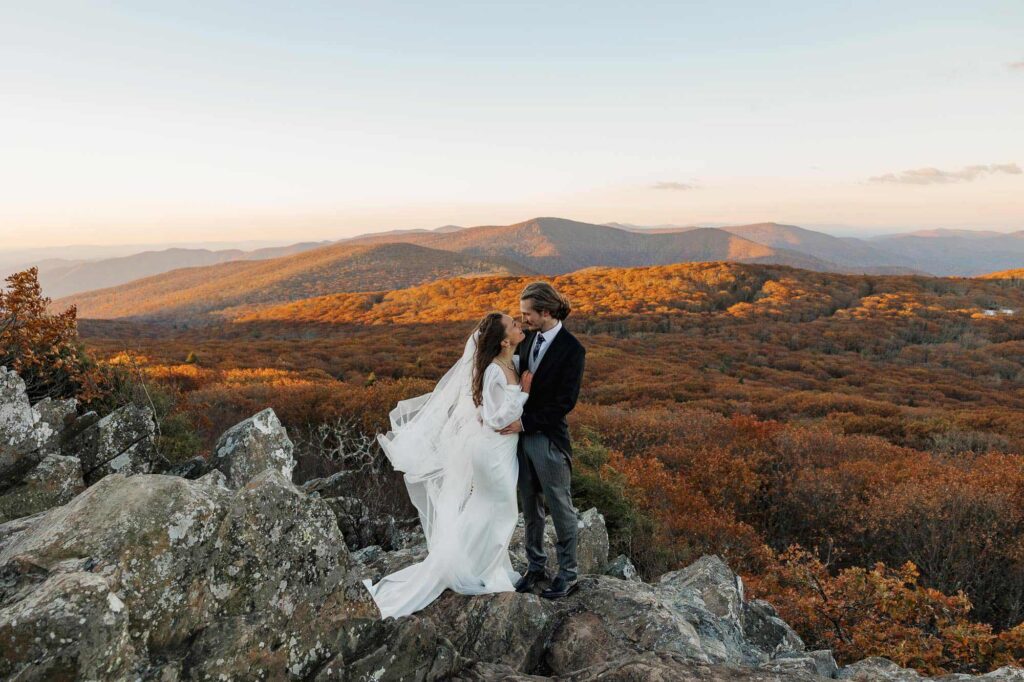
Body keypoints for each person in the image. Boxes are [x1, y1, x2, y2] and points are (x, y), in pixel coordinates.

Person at [362, 311, 534, 619]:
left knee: (491, 508)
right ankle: (478, 569)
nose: (520, 325)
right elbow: (496, 418)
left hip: (500, 450)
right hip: (492, 451)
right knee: (501, 507)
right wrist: (523, 393)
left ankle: (483, 565)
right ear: (505, 340)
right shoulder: (495, 370)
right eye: (514, 324)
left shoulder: (510, 362)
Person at [499, 281, 586, 599]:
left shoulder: (572, 350)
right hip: (519, 440)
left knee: (560, 507)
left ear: (546, 312)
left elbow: (565, 402)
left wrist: (524, 422)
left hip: (547, 439)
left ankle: (568, 574)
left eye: (527, 314)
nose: (522, 320)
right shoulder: (526, 339)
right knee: (530, 507)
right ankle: (535, 568)